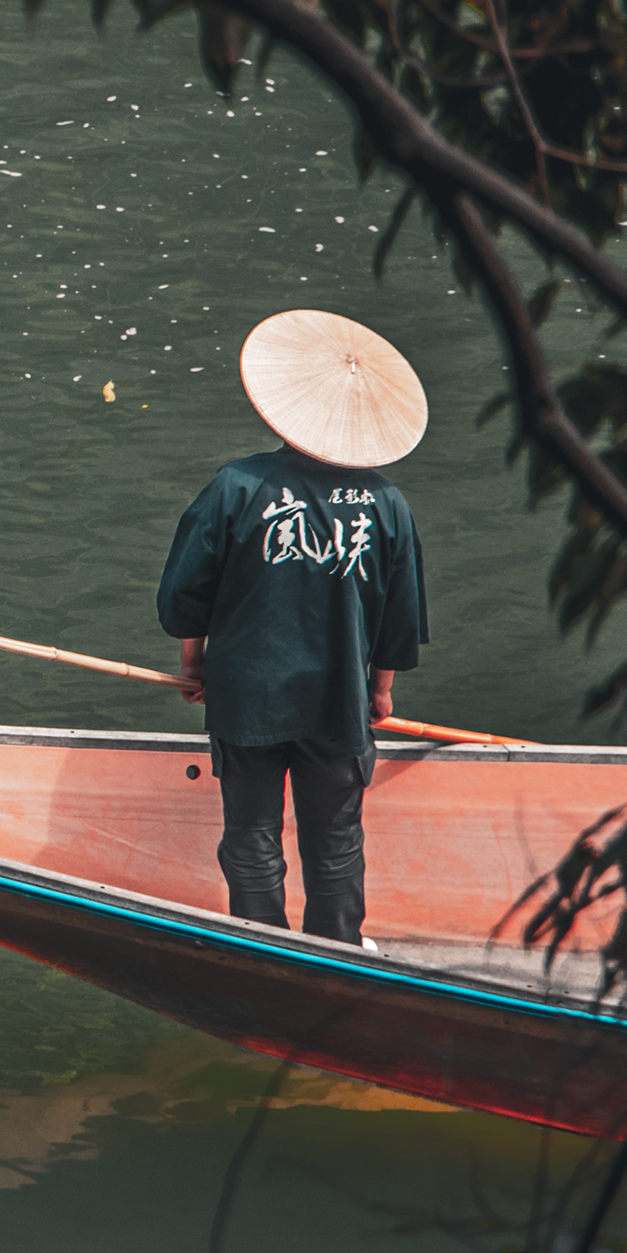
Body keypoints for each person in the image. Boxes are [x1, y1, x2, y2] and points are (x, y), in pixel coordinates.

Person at [156, 309, 429, 945]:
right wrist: (380, 689)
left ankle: (260, 949)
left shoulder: (237, 485)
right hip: (340, 700)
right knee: (334, 840)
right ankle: (336, 949)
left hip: (247, 694)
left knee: (251, 833)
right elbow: (400, 616)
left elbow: (186, 593)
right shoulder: (387, 504)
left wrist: (194, 663)